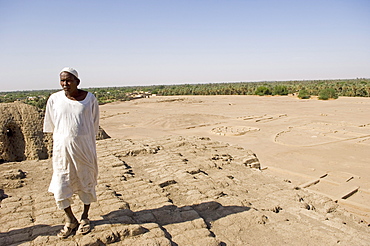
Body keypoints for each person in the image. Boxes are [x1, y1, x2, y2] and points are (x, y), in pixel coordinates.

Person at [43, 67, 99, 238]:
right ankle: (70, 220)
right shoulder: (54, 99)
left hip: (84, 150)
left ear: (77, 82)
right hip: (62, 152)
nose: (65, 84)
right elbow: (52, 125)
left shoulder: (90, 99)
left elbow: (94, 124)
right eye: (62, 80)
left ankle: (85, 217)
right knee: (61, 185)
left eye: (68, 80)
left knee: (87, 182)